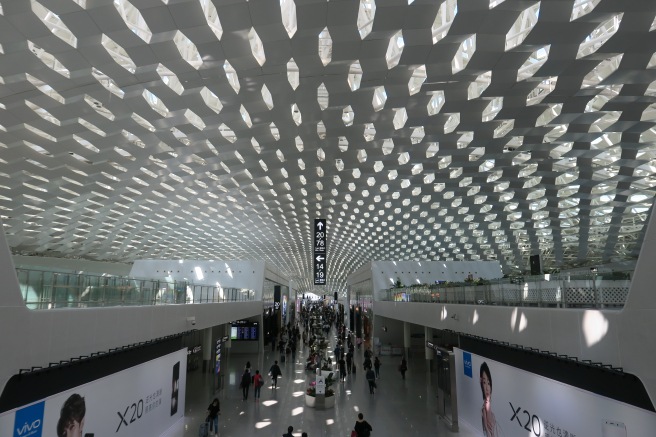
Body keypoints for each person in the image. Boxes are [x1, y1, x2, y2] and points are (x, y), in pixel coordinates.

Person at [480, 362, 502, 437]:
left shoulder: (490, 406)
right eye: (484, 382)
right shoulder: (484, 408)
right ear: (481, 383)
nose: (486, 388)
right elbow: (486, 429)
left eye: (488, 383)